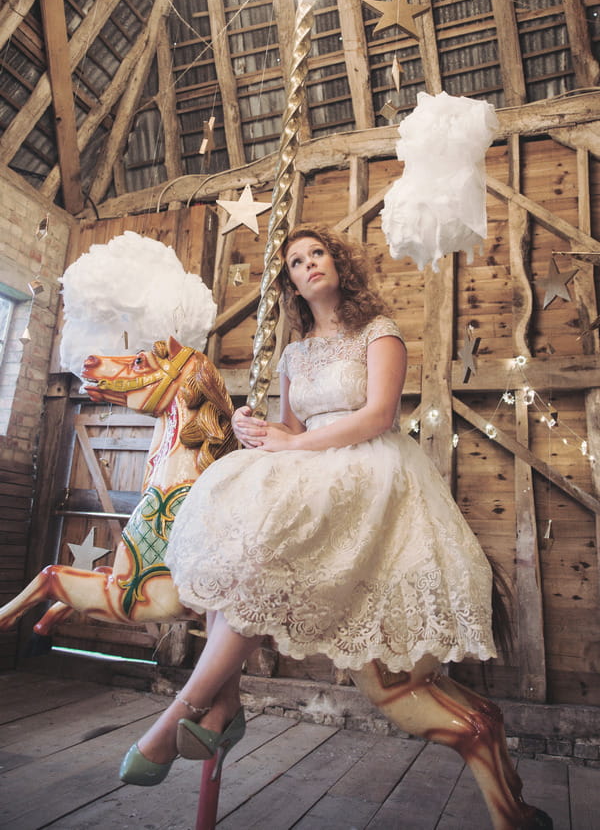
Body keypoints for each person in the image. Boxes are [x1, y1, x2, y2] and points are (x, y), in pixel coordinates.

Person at [120, 225, 497, 786]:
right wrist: (259, 430)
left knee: (265, 551)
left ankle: (186, 711)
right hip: (308, 458)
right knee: (235, 539)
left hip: (367, 462)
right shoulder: (295, 353)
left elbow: (377, 415)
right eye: (296, 262)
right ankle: (219, 706)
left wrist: (295, 443)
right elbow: (291, 427)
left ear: (338, 263)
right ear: (291, 283)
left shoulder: (379, 331)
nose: (308, 265)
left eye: (316, 253)